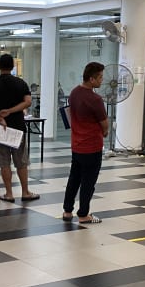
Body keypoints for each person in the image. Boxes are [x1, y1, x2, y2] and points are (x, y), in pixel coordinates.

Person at [0, 54, 39, 203]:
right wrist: (11, 111)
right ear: (13, 67)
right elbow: (27, 102)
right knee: (21, 162)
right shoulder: (21, 83)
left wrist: (0, 118)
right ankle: (25, 192)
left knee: (4, 162)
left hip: (0, 128)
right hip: (18, 127)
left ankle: (9, 193)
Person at [62, 62, 108, 224]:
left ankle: (67, 210)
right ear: (91, 79)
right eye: (100, 77)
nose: (102, 80)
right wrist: (105, 132)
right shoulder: (95, 99)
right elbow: (104, 123)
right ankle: (83, 214)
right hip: (92, 146)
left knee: (74, 178)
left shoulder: (74, 93)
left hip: (77, 144)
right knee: (88, 182)